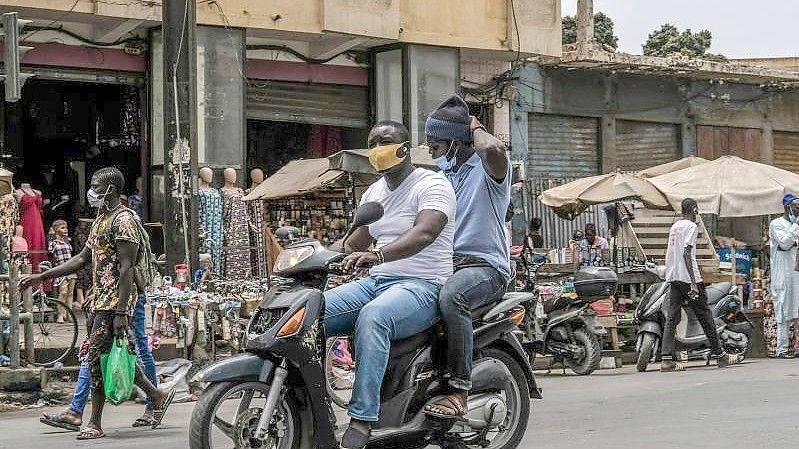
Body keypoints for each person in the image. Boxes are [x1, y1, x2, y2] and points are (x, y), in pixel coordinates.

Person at [324, 120, 456, 449]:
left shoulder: (433, 184)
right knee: (313, 310)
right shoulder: (375, 192)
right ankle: (308, 402)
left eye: (384, 141)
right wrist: (310, 256)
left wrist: (379, 256)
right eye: (372, 144)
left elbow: (425, 232)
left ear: (405, 147)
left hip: (423, 285)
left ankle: (362, 419)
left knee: (374, 316)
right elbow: (353, 243)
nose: (377, 150)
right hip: (378, 281)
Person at [21, 167, 174, 440]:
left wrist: (120, 312)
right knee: (111, 355)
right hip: (99, 299)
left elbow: (126, 269)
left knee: (94, 360)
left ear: (110, 190)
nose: (91, 190)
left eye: (95, 185)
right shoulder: (102, 218)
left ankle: (94, 422)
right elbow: (82, 258)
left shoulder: (124, 220)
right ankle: (157, 394)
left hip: (115, 301)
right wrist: (42, 275)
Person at [420, 95, 510, 418]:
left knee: (452, 296)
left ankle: (458, 389)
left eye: (437, 144)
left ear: (458, 141)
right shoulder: (445, 176)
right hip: (449, 265)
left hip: (487, 268)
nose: (432, 152)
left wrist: (473, 125)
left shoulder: (489, 171)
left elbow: (492, 149)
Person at [660, 198, 741, 372]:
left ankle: (666, 359)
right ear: (695, 210)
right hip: (689, 279)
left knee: (672, 318)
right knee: (705, 315)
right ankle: (719, 355)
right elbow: (687, 252)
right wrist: (694, 284)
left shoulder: (675, 227)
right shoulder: (691, 226)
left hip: (674, 277)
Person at [767, 193, 799, 358]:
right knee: (783, 310)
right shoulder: (776, 224)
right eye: (797, 208)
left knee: (797, 309)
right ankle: (782, 348)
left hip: (796, 274)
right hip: (782, 273)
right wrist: (796, 227)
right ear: (788, 208)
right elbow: (785, 244)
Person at [48, 220, 77, 323]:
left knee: (70, 293)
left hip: (70, 269)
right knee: (63, 292)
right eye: (62, 228)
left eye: (66, 228)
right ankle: (60, 314)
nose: (65, 230)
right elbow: (50, 253)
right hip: (61, 269)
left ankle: (69, 314)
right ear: (56, 230)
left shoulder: (67, 242)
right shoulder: (53, 243)